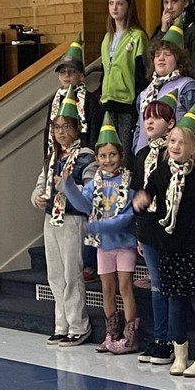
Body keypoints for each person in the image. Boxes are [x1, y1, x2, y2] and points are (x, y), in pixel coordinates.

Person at [133, 106, 195, 378]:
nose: (175, 146)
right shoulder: (161, 173)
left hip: (194, 248)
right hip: (169, 249)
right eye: (172, 140)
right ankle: (180, 354)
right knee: (174, 300)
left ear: (193, 147)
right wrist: (141, 201)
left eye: (181, 142)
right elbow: (147, 196)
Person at [62, 115, 139, 354]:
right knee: (106, 289)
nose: (108, 160)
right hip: (103, 246)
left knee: (124, 287)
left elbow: (127, 216)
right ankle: (111, 333)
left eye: (113, 155)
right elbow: (83, 206)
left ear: (121, 156)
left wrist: (98, 227)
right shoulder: (92, 185)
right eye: (103, 156)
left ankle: (130, 336)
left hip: (124, 244)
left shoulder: (128, 183)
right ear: (97, 159)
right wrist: (68, 186)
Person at [31, 98, 97, 347]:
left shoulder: (85, 158)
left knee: (72, 274)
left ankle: (79, 324)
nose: (61, 132)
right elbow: (40, 182)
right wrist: (37, 196)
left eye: (66, 127)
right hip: (51, 219)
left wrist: (67, 187)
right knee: (55, 275)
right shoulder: (52, 157)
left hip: (72, 220)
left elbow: (89, 193)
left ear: (76, 128)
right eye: (56, 128)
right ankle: (62, 324)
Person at [132, 91, 178, 366]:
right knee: (156, 286)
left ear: (171, 123)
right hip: (148, 227)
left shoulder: (172, 153)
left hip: (168, 226)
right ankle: (161, 337)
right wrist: (138, 231)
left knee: (168, 284)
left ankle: (174, 339)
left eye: (157, 117)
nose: (149, 122)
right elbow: (138, 192)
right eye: (147, 116)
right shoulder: (141, 155)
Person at [131, 16, 195, 155]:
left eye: (167, 54)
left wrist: (188, 154)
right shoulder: (144, 94)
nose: (161, 58)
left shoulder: (188, 87)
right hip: (146, 162)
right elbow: (139, 128)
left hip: (176, 163)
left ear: (178, 59)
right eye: (157, 55)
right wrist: (138, 153)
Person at [100, 0, 149, 159]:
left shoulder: (137, 36)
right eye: (111, 3)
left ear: (128, 6)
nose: (114, 8)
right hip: (108, 101)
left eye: (119, 4)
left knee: (125, 152)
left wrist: (137, 100)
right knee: (109, 150)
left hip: (127, 103)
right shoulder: (107, 37)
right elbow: (105, 71)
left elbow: (141, 73)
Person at [43, 34, 102, 153]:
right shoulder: (55, 99)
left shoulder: (90, 100)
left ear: (81, 75)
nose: (67, 75)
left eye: (72, 71)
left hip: (83, 153)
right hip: (58, 153)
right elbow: (48, 132)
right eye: (63, 72)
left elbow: (94, 131)